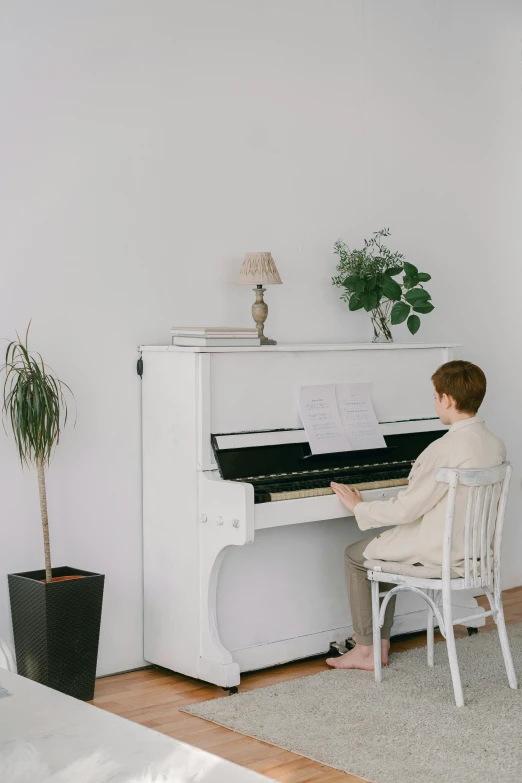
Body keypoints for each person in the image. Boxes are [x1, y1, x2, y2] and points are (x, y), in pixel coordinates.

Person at [326, 360, 505, 671]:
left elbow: (405, 510)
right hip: (474, 553)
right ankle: (378, 643)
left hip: (440, 553)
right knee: (379, 549)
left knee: (357, 556)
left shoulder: (443, 449)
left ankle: (367, 648)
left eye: (435, 397)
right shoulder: (495, 444)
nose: (435, 402)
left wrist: (359, 507)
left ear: (448, 399)